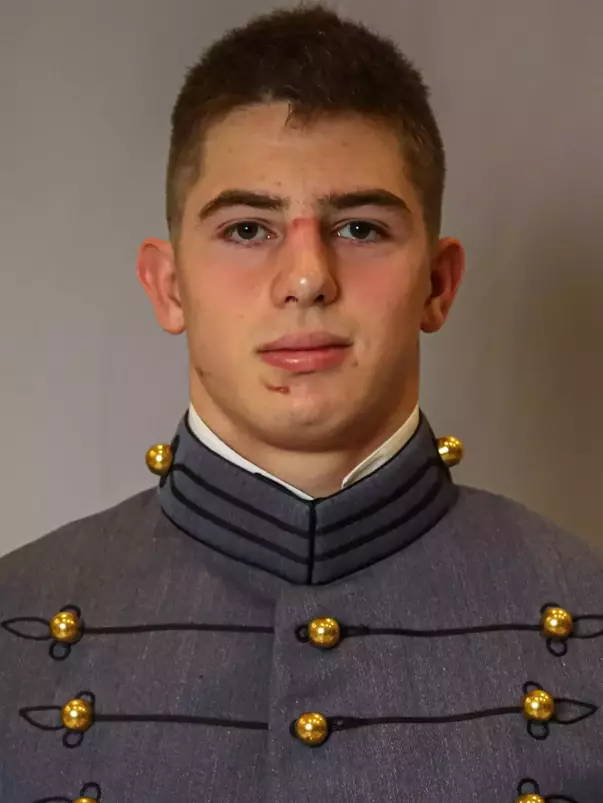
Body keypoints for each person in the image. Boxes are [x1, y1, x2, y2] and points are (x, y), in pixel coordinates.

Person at [1, 5, 602, 802]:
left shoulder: (587, 616)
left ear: (437, 282)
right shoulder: (16, 618)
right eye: (248, 229)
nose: (308, 277)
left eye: (359, 227)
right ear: (168, 285)